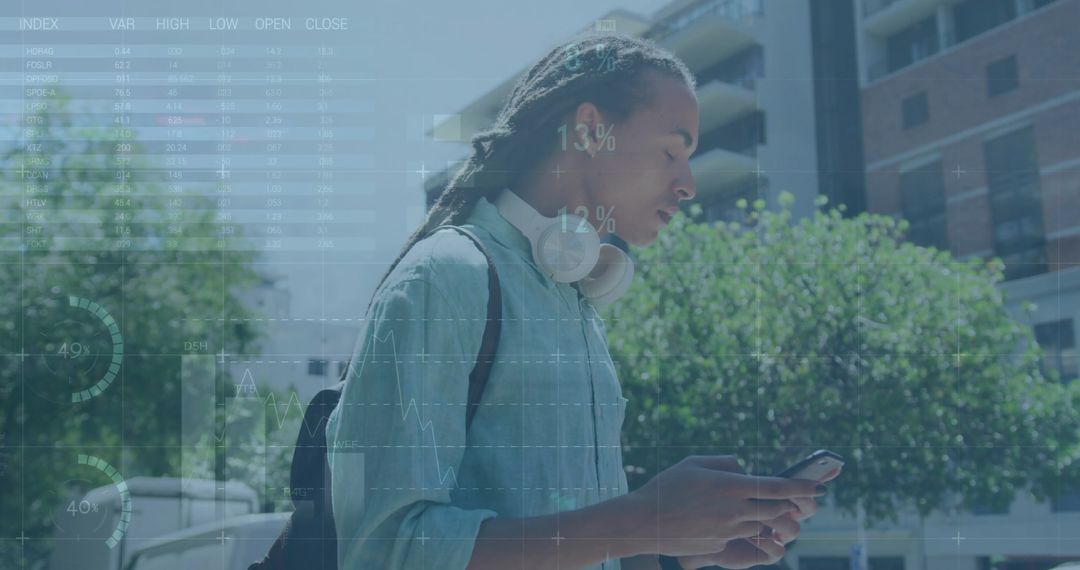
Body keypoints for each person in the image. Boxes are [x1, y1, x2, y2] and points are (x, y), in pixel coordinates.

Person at [326, 33, 840, 570]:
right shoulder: (447, 277)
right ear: (592, 130)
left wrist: (677, 547)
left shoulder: (577, 309)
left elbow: (579, 545)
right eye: (671, 152)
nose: (687, 184)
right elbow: (382, 549)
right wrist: (642, 522)